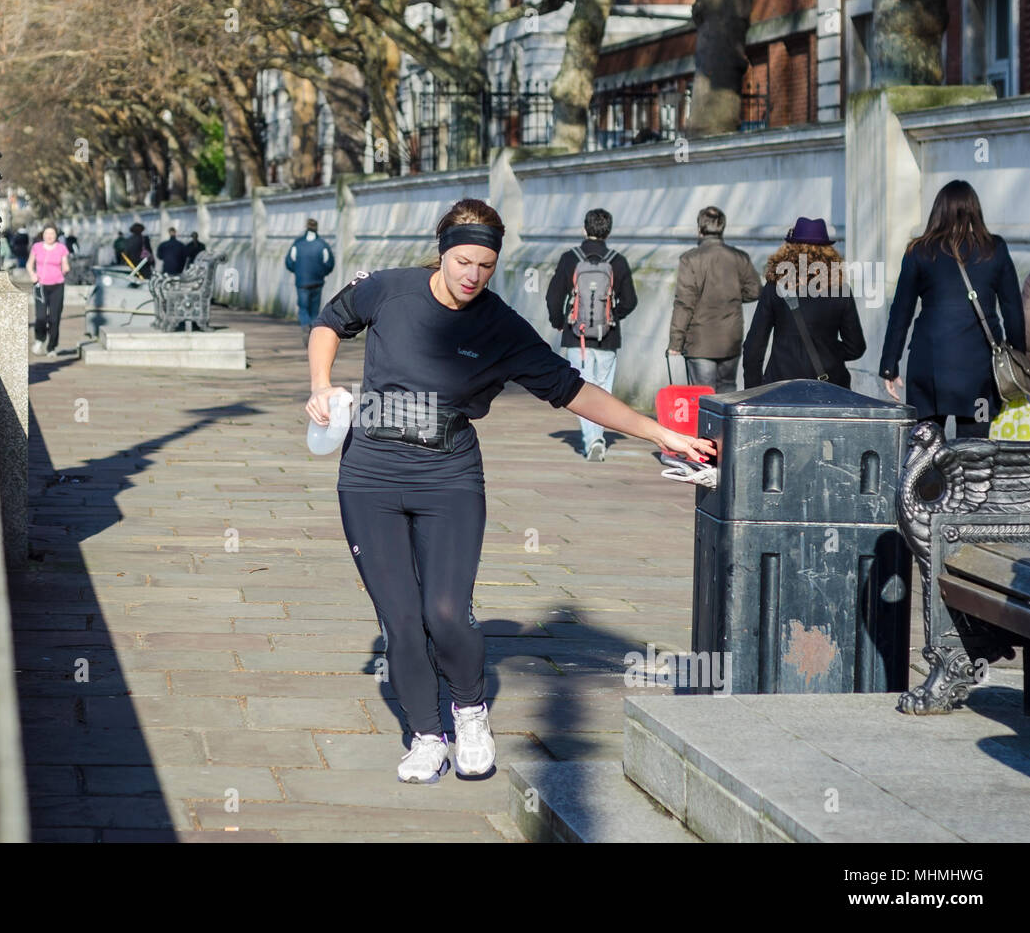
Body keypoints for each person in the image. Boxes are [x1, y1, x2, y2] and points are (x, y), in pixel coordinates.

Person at [305, 198, 715, 785]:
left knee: (444, 612)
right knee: (399, 619)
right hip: (369, 471)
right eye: (464, 260)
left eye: (487, 266)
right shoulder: (389, 290)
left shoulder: (499, 326)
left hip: (448, 473)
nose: (473, 275)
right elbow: (328, 321)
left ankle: (470, 713)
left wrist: (657, 431)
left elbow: (572, 390)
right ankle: (426, 734)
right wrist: (321, 384)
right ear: (443, 251)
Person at [880, 179, 1024, 438]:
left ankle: (934, 481)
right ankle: (967, 481)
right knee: (975, 451)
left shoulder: (919, 251)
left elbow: (901, 311)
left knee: (926, 449)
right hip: (979, 371)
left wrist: (890, 364)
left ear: (938, 211)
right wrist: (1019, 359)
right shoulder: (994, 249)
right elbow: (1012, 308)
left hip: (929, 368)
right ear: (974, 210)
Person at [545, 207, 638, 461]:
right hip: (608, 337)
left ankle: (593, 439)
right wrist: (613, 317)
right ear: (608, 231)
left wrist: (559, 321)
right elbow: (630, 301)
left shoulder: (569, 258)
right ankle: (598, 436)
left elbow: (553, 296)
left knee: (581, 388)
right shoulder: (617, 260)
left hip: (577, 335)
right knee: (603, 389)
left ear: (584, 229)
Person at [742, 217, 866, 389]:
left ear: (789, 250)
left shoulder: (776, 287)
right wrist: (827, 351)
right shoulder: (840, 290)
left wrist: (753, 390)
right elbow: (856, 347)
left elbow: (753, 346)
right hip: (830, 386)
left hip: (781, 384)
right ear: (828, 252)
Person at [668, 206, 762, 392]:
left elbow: (684, 303)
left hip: (700, 339)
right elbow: (755, 290)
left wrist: (675, 342)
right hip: (730, 337)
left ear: (700, 229)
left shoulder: (690, 259)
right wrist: (733, 295)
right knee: (727, 391)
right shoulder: (739, 257)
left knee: (704, 395)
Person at [286, 218, 336, 346]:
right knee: (314, 309)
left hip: (302, 282)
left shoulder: (297, 244)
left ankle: (305, 326)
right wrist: (322, 273)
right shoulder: (322, 244)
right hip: (317, 281)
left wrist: (297, 271)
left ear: (306, 227)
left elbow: (289, 262)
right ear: (317, 228)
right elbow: (330, 263)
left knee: (303, 308)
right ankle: (313, 332)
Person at [27, 224, 71, 358]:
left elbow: (65, 264)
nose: (49, 236)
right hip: (40, 286)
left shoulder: (61, 248)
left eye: (52, 233)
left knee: (54, 318)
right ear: (43, 234)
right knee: (40, 316)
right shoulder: (37, 247)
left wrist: (66, 268)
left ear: (56, 235)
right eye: (47, 233)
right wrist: (32, 275)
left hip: (57, 286)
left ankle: (51, 347)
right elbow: (29, 264)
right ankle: (39, 340)